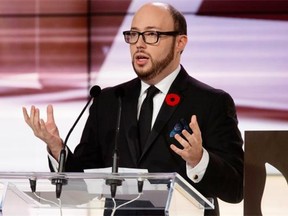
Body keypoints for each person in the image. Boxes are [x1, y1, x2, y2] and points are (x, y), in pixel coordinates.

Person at [23, 2, 243, 215]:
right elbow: (83, 184)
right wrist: (57, 148)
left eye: (151, 35)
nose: (139, 44)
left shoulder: (211, 102)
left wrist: (199, 160)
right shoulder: (109, 101)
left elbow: (236, 188)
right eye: (134, 35)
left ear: (180, 42)